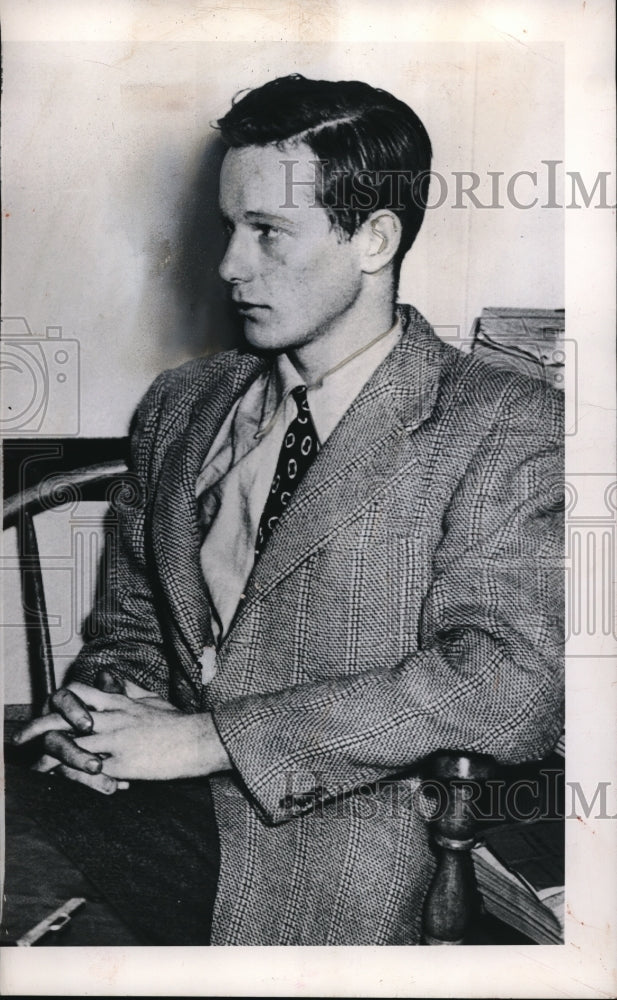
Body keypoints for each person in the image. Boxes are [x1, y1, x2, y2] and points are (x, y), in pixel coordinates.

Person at [14, 74, 564, 945]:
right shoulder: (183, 406)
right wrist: (98, 715)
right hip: (155, 820)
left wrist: (210, 740)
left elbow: (508, 687)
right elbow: (131, 627)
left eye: (268, 231)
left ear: (374, 238)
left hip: (356, 852)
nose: (231, 264)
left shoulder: (503, 423)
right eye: (229, 227)